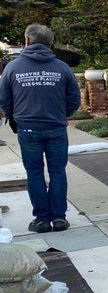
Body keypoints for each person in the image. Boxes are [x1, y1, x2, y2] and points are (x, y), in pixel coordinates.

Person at [0, 24, 81, 233]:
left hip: (28, 129)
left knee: (34, 173)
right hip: (56, 128)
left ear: (27, 41)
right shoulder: (62, 67)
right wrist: (62, 114)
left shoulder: (13, 68)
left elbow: (4, 100)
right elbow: (74, 99)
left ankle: (42, 219)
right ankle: (59, 217)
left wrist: (13, 118)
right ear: (50, 43)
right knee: (57, 172)